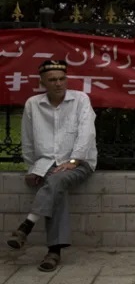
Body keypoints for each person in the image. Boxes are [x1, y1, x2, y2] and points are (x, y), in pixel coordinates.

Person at [7, 60, 97, 272]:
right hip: (46, 163)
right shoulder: (33, 104)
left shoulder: (80, 100)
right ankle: (53, 252)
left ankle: (28, 225)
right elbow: (27, 140)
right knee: (56, 185)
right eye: (53, 80)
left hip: (80, 162)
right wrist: (32, 168)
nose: (58, 83)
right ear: (43, 83)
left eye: (62, 78)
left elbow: (87, 133)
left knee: (56, 179)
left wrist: (73, 160)